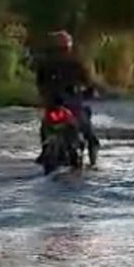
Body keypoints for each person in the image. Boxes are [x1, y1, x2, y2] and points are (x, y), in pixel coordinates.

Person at [35, 30, 100, 167]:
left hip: (52, 104)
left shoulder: (45, 63)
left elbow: (40, 84)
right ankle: (93, 161)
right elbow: (88, 82)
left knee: (45, 126)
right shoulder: (76, 62)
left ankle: (44, 150)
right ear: (68, 46)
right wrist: (91, 91)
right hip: (71, 104)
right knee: (89, 133)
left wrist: (45, 97)